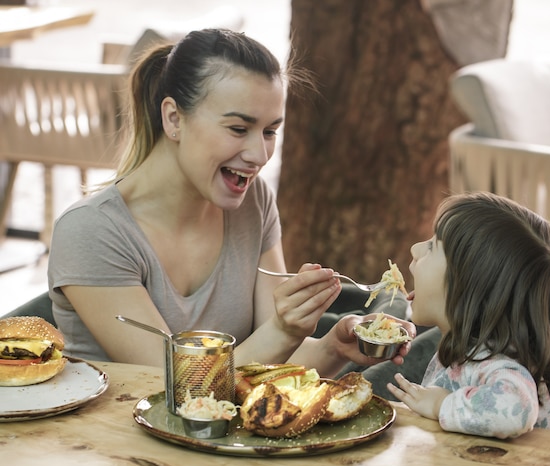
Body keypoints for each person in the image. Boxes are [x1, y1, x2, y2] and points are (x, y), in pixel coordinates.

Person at [47, 28, 414, 376]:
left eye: (270, 131)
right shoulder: (91, 232)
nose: (259, 154)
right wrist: (285, 331)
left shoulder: (252, 201)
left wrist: (334, 346)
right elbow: (176, 385)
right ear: (174, 118)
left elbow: (270, 356)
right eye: (239, 129)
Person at [385, 192, 550, 439]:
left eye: (432, 246)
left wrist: (442, 405)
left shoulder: (494, 361)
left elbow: (516, 411)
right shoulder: (465, 350)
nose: (415, 249)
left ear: (466, 289)